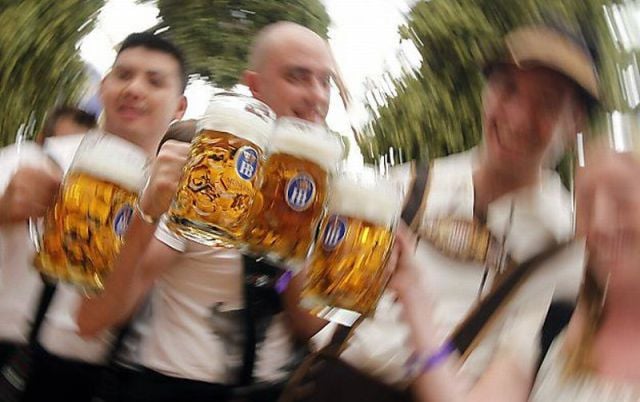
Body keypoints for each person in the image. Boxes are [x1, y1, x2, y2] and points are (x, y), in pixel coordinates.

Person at [77, 21, 336, 402]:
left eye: (325, 81)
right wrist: (148, 213)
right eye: (297, 77)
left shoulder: (310, 187)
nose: (316, 95)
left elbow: (311, 323)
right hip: (179, 390)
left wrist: (294, 244)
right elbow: (92, 318)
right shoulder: (211, 171)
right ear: (256, 86)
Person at [335, 21, 596, 390]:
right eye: (508, 88)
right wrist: (287, 261)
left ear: (574, 124)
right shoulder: (405, 186)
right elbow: (319, 319)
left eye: (547, 102)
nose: (518, 117)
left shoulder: (565, 247)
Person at [3, 32, 189, 402]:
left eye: (154, 81)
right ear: (104, 86)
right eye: (124, 75)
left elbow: (93, 321)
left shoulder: (172, 210)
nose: (134, 88)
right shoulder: (35, 158)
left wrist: (146, 216)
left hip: (72, 381)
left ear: (179, 107)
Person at [391, 143, 640, 401]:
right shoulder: (556, 321)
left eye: (622, 199)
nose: (600, 222)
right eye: (586, 203)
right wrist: (412, 292)